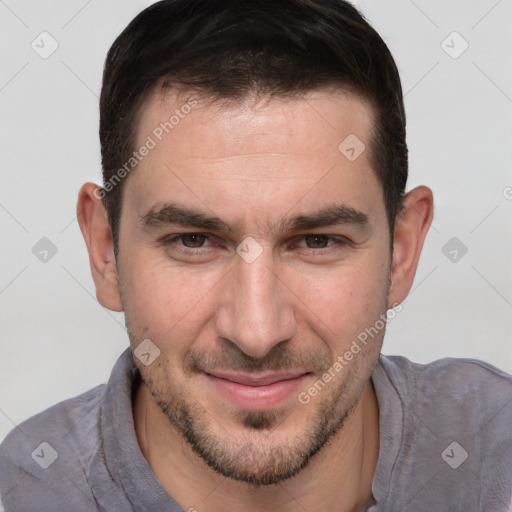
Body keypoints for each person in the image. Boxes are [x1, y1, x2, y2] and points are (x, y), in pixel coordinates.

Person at [1, 1, 511, 511]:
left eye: (317, 241)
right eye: (193, 241)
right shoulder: (23, 492)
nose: (257, 332)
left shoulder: (494, 451)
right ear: (105, 250)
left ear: (402, 252)